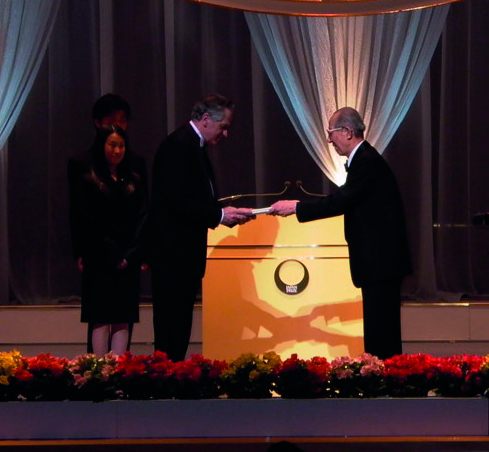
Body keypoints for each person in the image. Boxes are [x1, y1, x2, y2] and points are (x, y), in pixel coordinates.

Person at [270, 107, 412, 359]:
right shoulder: (364, 160)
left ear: (347, 131)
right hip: (379, 262)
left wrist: (295, 207)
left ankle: (386, 386)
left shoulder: (366, 161)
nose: (328, 140)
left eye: (331, 132)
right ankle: (382, 382)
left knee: (382, 334)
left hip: (381, 262)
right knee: (380, 331)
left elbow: (341, 201)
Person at [147, 94, 254, 360]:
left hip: (182, 254)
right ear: (206, 119)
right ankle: (166, 387)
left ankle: (172, 381)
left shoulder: (193, 146)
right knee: (171, 328)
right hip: (173, 253)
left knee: (179, 326)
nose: (226, 133)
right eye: (223, 126)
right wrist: (218, 215)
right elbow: (177, 201)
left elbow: (194, 198)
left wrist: (222, 212)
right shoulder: (180, 146)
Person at [69, 125, 148, 355]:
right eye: (112, 144)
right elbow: (88, 222)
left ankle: (118, 371)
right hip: (100, 258)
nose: (117, 150)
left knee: (123, 318)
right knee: (101, 318)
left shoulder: (134, 180)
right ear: (101, 145)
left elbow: (143, 218)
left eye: (121, 145)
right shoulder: (88, 180)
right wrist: (112, 253)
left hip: (128, 259)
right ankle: (100, 371)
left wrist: (131, 254)